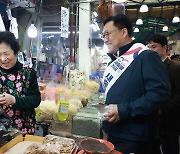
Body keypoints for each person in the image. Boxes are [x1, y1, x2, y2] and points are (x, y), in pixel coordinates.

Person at [101, 14, 171, 154]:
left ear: (124, 32)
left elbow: (160, 93)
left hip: (136, 140)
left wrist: (124, 110)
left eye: (108, 33)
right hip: (116, 135)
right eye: (103, 35)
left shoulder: (146, 56)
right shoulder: (116, 60)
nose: (105, 39)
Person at [0, 31, 41, 135]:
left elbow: (36, 100)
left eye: (6, 54)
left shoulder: (28, 73)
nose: (3, 59)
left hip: (23, 130)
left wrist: (15, 100)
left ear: (15, 52)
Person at [147, 34, 180, 154]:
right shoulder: (148, 68)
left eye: (154, 47)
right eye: (149, 47)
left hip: (170, 121)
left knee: (170, 149)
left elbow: (179, 95)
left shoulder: (175, 68)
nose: (151, 50)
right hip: (153, 120)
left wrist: (163, 110)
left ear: (165, 47)